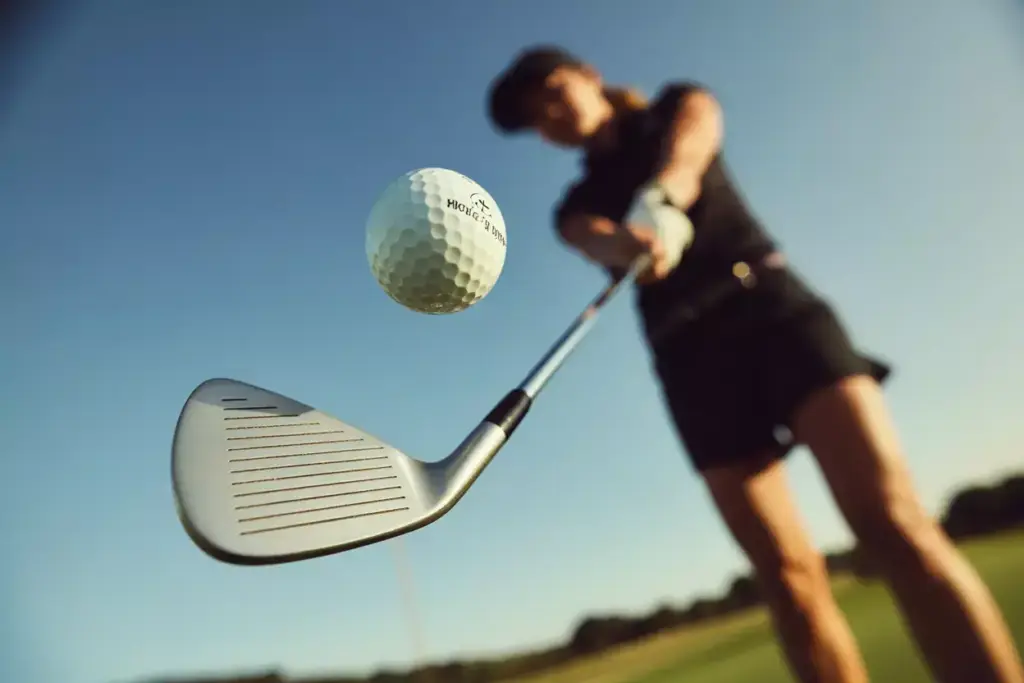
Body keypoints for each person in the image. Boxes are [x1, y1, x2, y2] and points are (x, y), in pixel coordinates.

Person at [486, 46, 1024, 683]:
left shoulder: (674, 107)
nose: (549, 117)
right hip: (688, 358)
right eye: (534, 120)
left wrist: (663, 197)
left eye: (551, 93)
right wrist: (630, 241)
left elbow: (694, 142)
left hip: (772, 310)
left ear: (589, 77)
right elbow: (592, 237)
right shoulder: (572, 206)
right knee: (788, 577)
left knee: (893, 524)